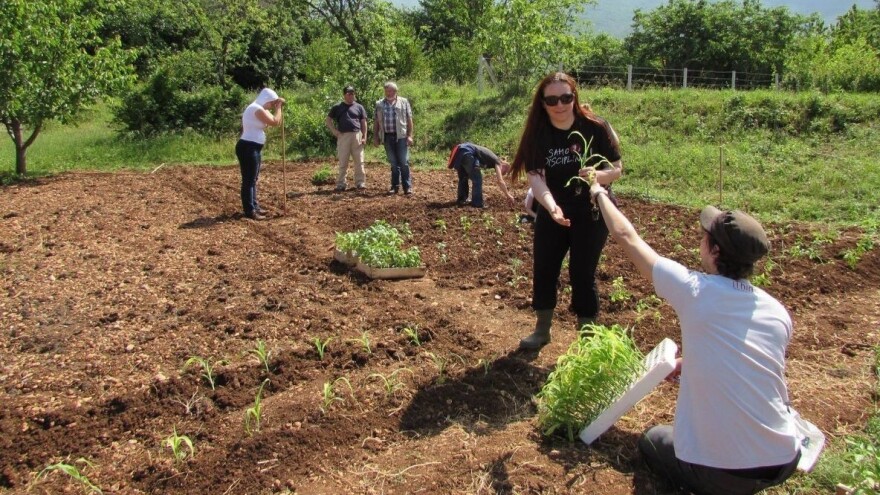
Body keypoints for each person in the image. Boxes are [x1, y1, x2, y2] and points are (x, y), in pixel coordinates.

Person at [589, 181, 802, 494]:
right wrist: (693, 362)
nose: (700, 240)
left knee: (653, 439)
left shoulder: (695, 290)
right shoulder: (777, 311)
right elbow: (749, 359)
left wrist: (598, 194)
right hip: (784, 460)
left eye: (705, 236)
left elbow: (626, 236)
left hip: (723, 473)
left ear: (714, 250)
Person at [509, 72, 623, 350]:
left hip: (592, 210)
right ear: (542, 103)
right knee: (544, 267)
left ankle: (587, 334)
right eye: (551, 100)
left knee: (582, 272)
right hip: (554, 209)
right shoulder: (539, 133)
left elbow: (617, 170)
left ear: (574, 97)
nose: (559, 104)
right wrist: (551, 207)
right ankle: (542, 330)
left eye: (565, 97)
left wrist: (597, 176)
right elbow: (536, 179)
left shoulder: (595, 127)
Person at [236, 88, 285, 220]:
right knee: (249, 180)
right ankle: (250, 210)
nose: (271, 105)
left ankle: (254, 206)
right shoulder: (256, 109)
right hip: (248, 147)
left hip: (252, 147)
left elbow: (273, 121)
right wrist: (279, 107)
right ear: (266, 100)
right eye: (271, 103)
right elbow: (275, 122)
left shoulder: (258, 109)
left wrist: (276, 108)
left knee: (253, 179)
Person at [373, 81, 414, 195]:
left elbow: (409, 120)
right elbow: (376, 122)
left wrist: (410, 136)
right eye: (387, 90)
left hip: (401, 136)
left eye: (391, 90)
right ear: (385, 91)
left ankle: (407, 187)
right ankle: (394, 186)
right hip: (387, 137)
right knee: (393, 163)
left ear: (396, 91)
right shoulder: (379, 104)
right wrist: (375, 137)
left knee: (404, 162)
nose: (389, 93)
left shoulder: (404, 102)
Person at [446, 142, 515, 208]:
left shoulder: (492, 158)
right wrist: (508, 195)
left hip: (460, 151)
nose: (503, 174)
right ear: (504, 165)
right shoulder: (498, 162)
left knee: (463, 177)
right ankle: (477, 203)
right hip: (467, 153)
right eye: (505, 172)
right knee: (477, 179)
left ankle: (462, 199)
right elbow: (500, 181)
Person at [325, 85, 368, 192]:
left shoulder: (359, 107)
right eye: (348, 94)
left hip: (357, 135)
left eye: (352, 93)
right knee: (343, 161)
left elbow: (363, 122)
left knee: (359, 161)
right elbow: (328, 120)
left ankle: (360, 182)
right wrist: (334, 131)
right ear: (344, 95)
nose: (351, 95)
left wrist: (364, 136)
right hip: (343, 136)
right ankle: (341, 183)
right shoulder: (337, 107)